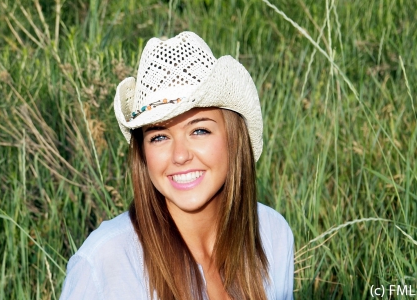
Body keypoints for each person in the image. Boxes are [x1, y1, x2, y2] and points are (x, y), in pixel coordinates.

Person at [60, 31, 294, 300]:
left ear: (234, 138)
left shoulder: (272, 234)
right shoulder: (105, 263)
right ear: (143, 153)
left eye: (200, 131)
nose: (180, 155)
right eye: (159, 137)